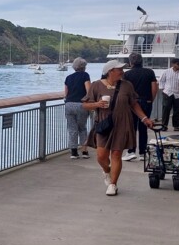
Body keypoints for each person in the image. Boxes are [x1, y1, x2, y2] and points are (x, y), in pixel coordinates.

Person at [84, 60, 154, 196]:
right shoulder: (96, 85)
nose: (122, 72)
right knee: (101, 156)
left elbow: (134, 104)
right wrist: (97, 104)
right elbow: (86, 105)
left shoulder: (127, 85)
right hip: (104, 123)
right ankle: (106, 170)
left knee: (116, 154)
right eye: (119, 69)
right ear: (110, 71)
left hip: (123, 123)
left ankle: (113, 184)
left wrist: (144, 118)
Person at [122, 52, 157, 161]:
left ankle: (131, 151)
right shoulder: (149, 72)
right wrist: (151, 100)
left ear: (130, 62)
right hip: (146, 102)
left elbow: (125, 90)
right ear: (142, 61)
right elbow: (154, 87)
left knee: (132, 128)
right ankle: (143, 153)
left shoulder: (127, 74)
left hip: (132, 103)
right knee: (143, 128)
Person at [63, 57, 91, 159]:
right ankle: (84, 151)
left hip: (69, 104)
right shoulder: (85, 76)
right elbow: (89, 91)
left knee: (72, 128)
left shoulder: (68, 77)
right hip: (81, 105)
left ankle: (74, 152)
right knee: (82, 128)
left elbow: (66, 93)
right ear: (84, 66)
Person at [158, 58, 179, 131]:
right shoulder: (166, 72)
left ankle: (176, 125)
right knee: (166, 109)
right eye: (178, 64)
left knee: (177, 110)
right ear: (173, 64)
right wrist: (163, 89)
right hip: (168, 93)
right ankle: (164, 125)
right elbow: (161, 81)